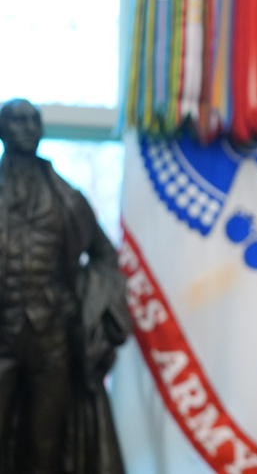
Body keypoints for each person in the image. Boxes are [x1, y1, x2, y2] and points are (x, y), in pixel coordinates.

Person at [0, 98, 131, 474]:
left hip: (52, 337)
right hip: (2, 333)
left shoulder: (68, 199)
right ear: (3, 129)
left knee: (45, 442)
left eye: (32, 120)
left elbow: (106, 257)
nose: (26, 128)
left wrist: (89, 304)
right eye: (16, 120)